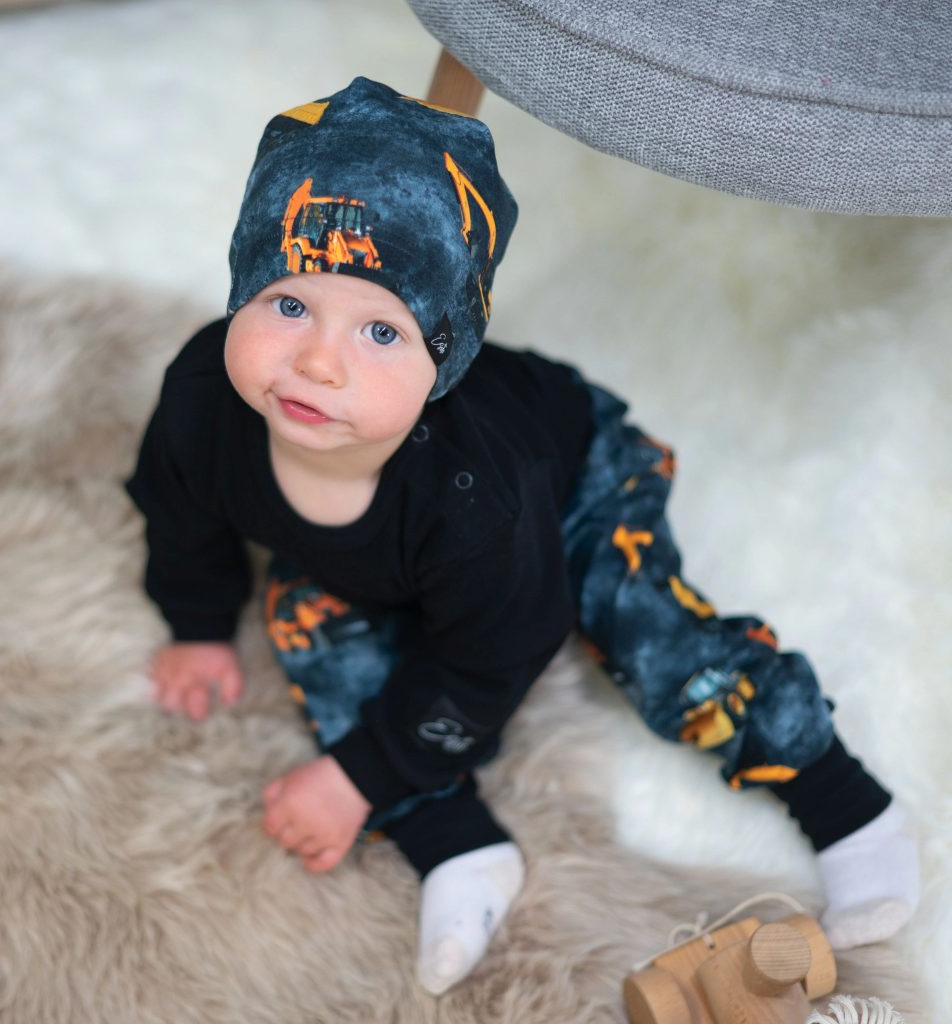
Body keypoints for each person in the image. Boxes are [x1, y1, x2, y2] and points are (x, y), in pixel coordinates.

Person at [126, 77, 920, 995]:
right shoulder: (202, 398)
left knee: (651, 637)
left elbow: (495, 655)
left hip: (575, 481)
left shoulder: (476, 500)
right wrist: (195, 622)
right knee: (315, 632)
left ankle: (842, 800)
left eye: (381, 331)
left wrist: (355, 778)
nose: (317, 362)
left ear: (443, 360)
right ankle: (458, 844)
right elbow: (177, 510)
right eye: (290, 305)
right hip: (408, 561)